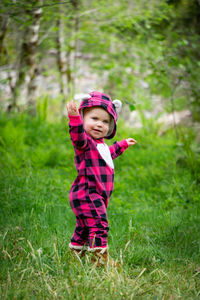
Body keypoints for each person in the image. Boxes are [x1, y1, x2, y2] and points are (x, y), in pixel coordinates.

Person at [67, 91, 136, 265]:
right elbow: (77, 137)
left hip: (93, 194)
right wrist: (74, 119)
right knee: (99, 224)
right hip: (88, 192)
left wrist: (123, 144)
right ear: (83, 118)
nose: (99, 125)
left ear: (111, 126)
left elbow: (110, 153)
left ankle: (75, 258)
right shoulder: (86, 143)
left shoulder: (101, 145)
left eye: (105, 121)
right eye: (94, 119)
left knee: (84, 227)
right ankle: (99, 262)